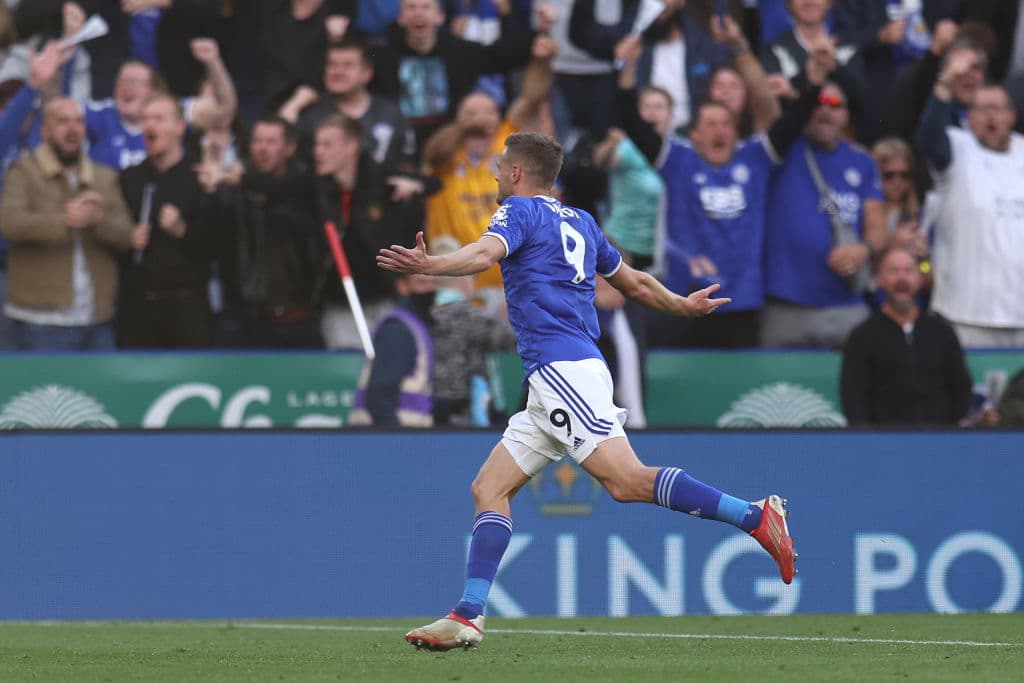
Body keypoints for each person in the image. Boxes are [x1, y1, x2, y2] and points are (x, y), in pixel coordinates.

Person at [378, 131, 796, 652]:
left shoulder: (518, 212)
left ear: (515, 174)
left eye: (500, 167)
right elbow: (636, 284)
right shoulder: (582, 221)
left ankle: (756, 517)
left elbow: (485, 253)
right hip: (563, 374)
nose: (493, 175)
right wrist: (682, 305)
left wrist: (430, 265)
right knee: (489, 489)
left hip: (561, 371)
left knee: (624, 481)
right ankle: (468, 614)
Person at [0, 97, 133, 350]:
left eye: (79, 121)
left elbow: (127, 235)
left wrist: (97, 220)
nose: (72, 129)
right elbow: (10, 223)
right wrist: (66, 220)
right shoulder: (23, 172)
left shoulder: (104, 177)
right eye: (62, 121)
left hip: (97, 318)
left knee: (101, 391)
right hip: (39, 320)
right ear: (45, 130)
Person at [197, 115, 323, 348]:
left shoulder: (306, 184)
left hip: (296, 317)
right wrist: (211, 194)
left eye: (271, 142)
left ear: (290, 147)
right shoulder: (232, 189)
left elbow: (305, 228)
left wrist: (249, 184)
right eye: (257, 141)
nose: (262, 148)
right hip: (242, 318)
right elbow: (210, 243)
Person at [915, 78, 1024, 347]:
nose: (990, 116)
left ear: (1011, 115)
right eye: (981, 109)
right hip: (965, 314)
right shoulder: (956, 147)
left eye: (997, 109)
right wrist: (945, 83)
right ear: (969, 117)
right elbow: (928, 136)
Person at [313, 113, 423, 349]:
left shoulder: (383, 184)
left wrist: (418, 186)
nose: (318, 151)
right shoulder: (317, 190)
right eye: (317, 144)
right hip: (339, 301)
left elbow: (428, 187)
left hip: (385, 296)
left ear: (351, 146)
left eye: (327, 144)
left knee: (391, 367)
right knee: (349, 372)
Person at [117, 94, 218, 348]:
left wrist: (182, 230)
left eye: (159, 119)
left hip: (187, 308)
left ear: (179, 127)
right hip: (138, 310)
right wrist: (126, 236)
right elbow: (111, 234)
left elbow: (219, 245)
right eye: (145, 119)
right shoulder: (129, 178)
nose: (149, 125)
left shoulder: (201, 178)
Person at [840, 247, 971, 426]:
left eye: (909, 270)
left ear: (919, 279)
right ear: (880, 279)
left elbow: (961, 388)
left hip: (939, 439)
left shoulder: (942, 332)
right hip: (884, 442)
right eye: (893, 271)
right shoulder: (862, 336)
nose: (902, 278)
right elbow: (853, 398)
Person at [347, 271, 437, 427]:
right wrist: (396, 438)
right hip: (389, 437)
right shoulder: (398, 330)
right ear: (402, 286)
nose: (429, 289)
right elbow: (379, 394)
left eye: (432, 283)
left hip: (405, 432)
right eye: (422, 283)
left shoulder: (416, 325)